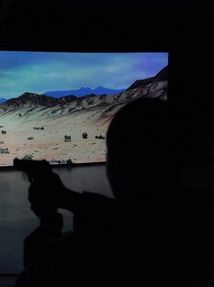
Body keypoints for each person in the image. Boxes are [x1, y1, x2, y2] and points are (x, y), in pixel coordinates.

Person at [14, 97, 195, 286]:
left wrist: (48, 222)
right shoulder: (200, 217)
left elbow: (33, 279)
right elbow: (134, 215)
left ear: (116, 166)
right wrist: (70, 199)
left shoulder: (84, 252)